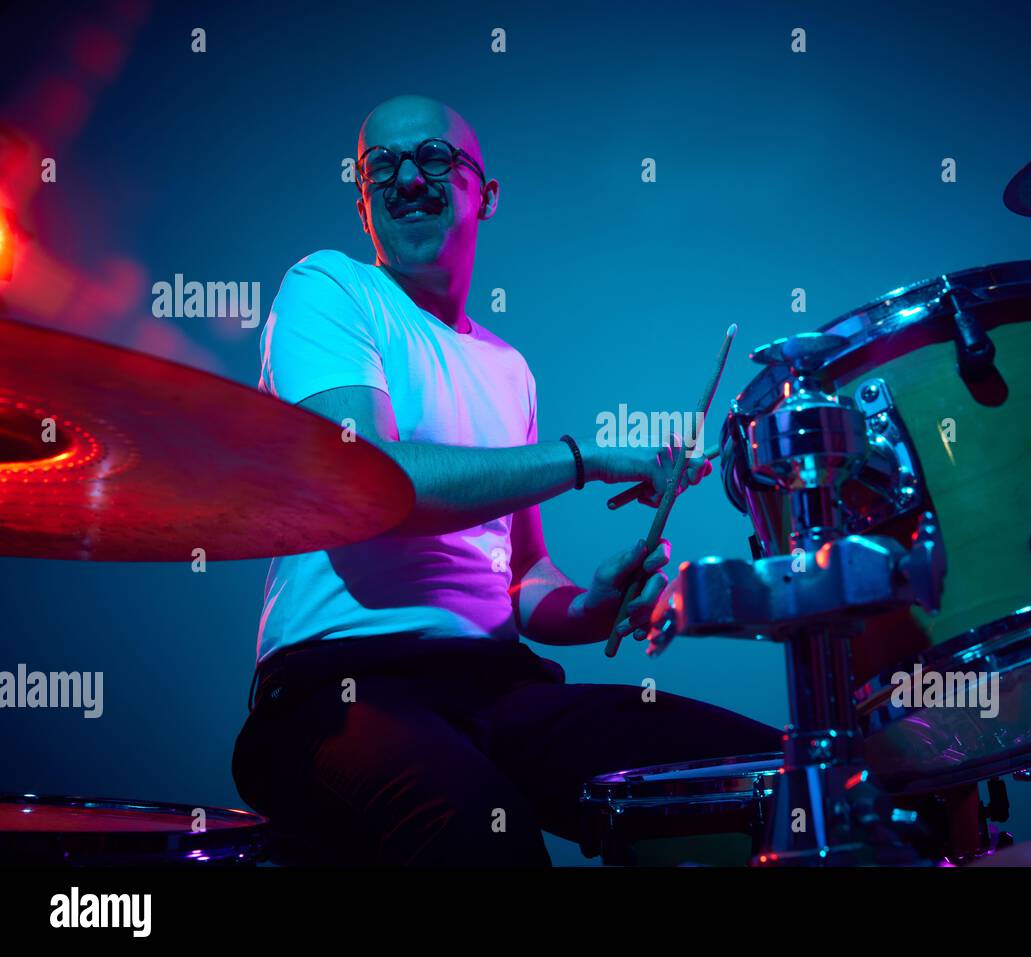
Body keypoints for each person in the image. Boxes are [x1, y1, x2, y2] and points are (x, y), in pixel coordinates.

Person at [231, 94, 780, 865]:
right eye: (381, 165)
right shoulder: (329, 288)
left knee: (760, 776)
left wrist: (591, 604)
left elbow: (520, 579)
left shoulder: (509, 368)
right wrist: (584, 458)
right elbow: (375, 479)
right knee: (487, 837)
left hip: (495, 684)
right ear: (362, 204)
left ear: (485, 195)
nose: (407, 178)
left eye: (433, 157)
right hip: (339, 687)